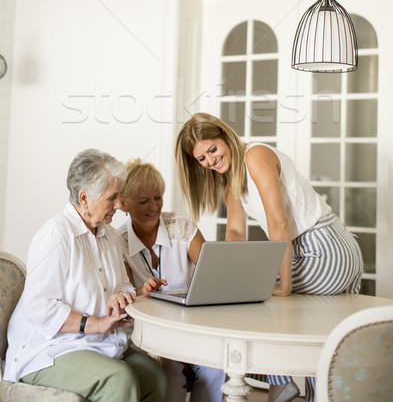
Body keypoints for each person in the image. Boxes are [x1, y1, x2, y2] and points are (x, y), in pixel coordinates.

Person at [175, 113, 363, 402]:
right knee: (319, 342)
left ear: (225, 136)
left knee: (253, 297)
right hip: (319, 250)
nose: (210, 161)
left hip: (323, 248)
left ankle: (277, 381)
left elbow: (279, 223)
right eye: (201, 159)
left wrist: (282, 286)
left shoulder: (255, 155)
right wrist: (229, 277)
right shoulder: (232, 182)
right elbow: (236, 232)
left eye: (212, 150)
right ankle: (298, 389)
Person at [4, 149, 169, 402]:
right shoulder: (56, 235)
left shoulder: (109, 235)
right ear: (84, 198)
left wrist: (121, 297)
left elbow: (122, 284)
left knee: (156, 379)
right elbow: (39, 307)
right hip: (49, 349)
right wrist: (94, 323)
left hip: (96, 343)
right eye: (112, 198)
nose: (119, 205)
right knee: (118, 381)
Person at [117, 158, 226, 402]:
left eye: (158, 197)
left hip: (192, 322)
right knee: (171, 373)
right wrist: (141, 290)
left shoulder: (182, 226)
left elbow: (214, 273)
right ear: (123, 203)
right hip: (151, 328)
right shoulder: (118, 241)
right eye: (143, 201)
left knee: (215, 367)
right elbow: (123, 292)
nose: (153, 206)